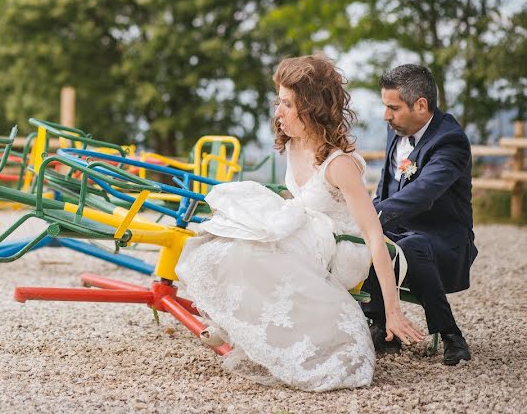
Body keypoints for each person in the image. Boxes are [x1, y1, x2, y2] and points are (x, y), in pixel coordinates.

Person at [175, 54, 424, 392]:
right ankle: (238, 324)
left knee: (249, 247)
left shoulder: (340, 164)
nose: (279, 112)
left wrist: (392, 309)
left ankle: (242, 326)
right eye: (279, 101)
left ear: (313, 107)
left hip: (340, 248)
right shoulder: (293, 145)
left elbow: (373, 236)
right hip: (306, 231)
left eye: (288, 103)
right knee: (225, 235)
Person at [362, 64, 477, 366]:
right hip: (402, 235)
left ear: (421, 105)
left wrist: (368, 216)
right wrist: (368, 216)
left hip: (445, 244)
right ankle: (381, 327)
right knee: (373, 241)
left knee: (408, 245)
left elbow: (424, 192)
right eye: (385, 106)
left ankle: (451, 335)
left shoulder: (450, 141)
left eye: (393, 108)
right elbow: (385, 190)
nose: (386, 116)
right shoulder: (397, 130)